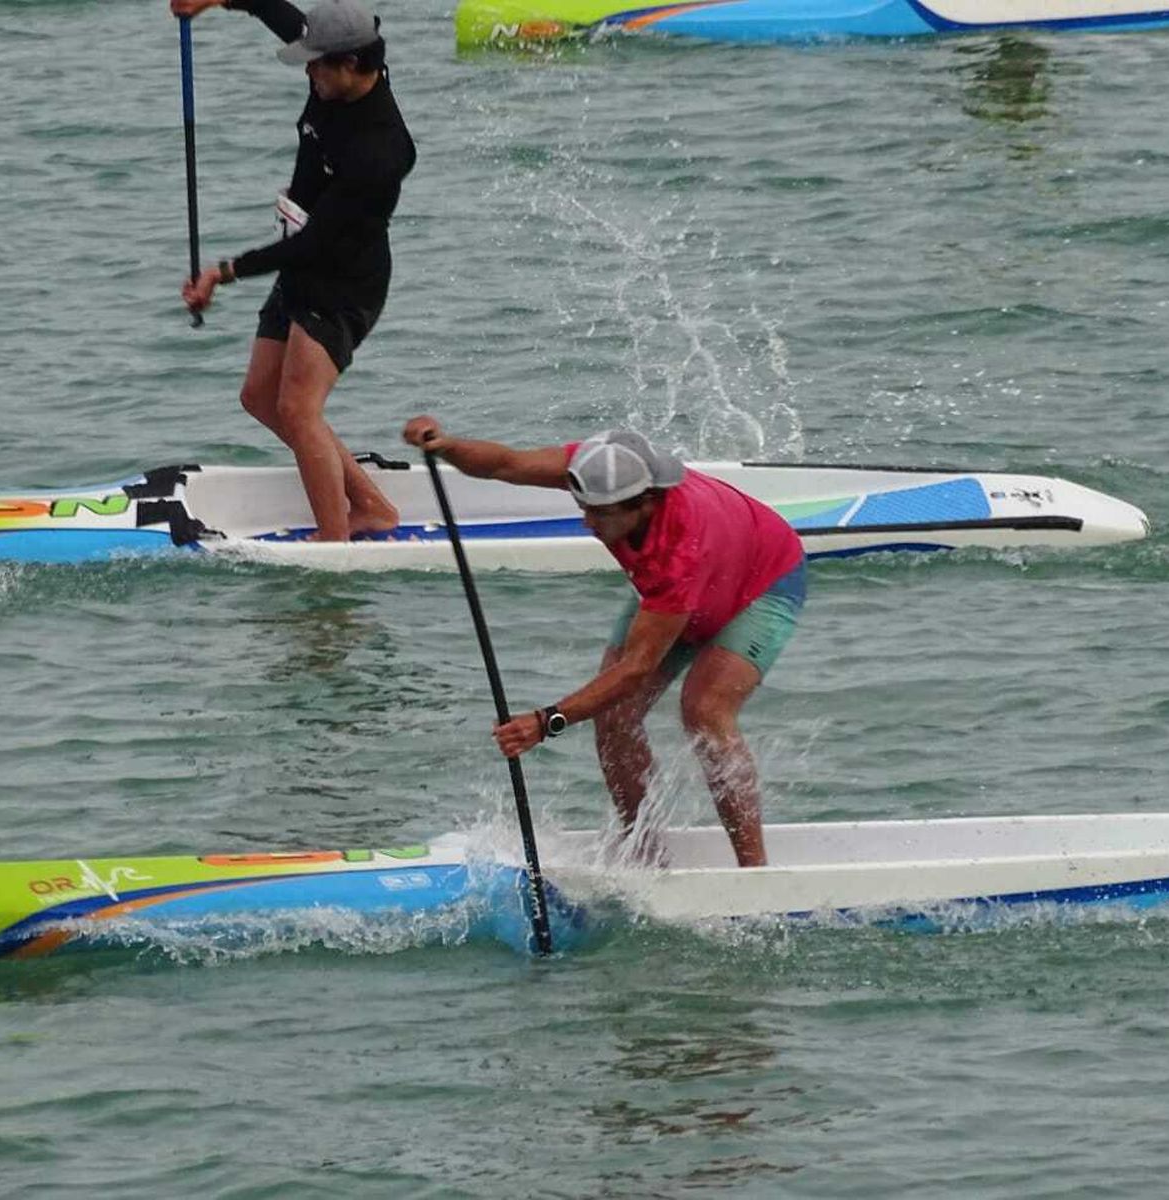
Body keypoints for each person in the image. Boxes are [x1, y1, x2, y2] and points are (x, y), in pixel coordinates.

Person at [403, 416, 807, 867]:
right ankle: (645, 854)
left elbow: (635, 668)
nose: (587, 522)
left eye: (600, 513)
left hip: (762, 581)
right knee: (614, 715)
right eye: (584, 506)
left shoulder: (678, 552)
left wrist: (546, 721)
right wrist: (448, 446)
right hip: (685, 586)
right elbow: (508, 463)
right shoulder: (607, 469)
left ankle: (755, 873)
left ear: (646, 503)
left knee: (705, 710)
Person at [172, 0, 416, 541]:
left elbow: (318, 242)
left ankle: (334, 542)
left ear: (351, 64)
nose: (308, 72)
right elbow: (279, 13)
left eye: (316, 65)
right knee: (259, 397)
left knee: (299, 408)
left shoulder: (378, 152)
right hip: (303, 266)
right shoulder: (336, 73)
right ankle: (371, 505)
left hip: (344, 283)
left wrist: (224, 272)